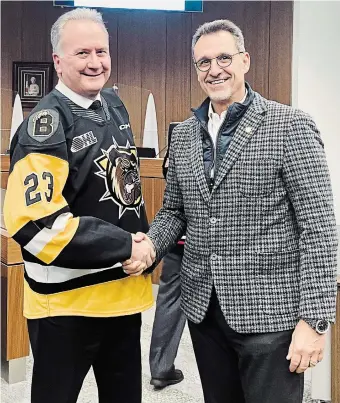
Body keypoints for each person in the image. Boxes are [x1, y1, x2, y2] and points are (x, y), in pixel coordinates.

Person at [124, 19, 338, 403]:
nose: (214, 69)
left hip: (270, 316)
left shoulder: (290, 125)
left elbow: (319, 228)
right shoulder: (185, 133)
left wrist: (315, 320)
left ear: (245, 61)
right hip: (204, 311)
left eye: (224, 57)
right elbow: (174, 209)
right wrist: (150, 247)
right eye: (203, 62)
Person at [4, 8, 155, 403]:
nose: (95, 62)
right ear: (58, 60)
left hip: (121, 297)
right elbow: (36, 225)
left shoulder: (115, 107)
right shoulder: (46, 126)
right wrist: (127, 247)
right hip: (66, 310)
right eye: (82, 53)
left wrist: (145, 249)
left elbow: (126, 194)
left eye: (101, 51)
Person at [149, 144, 186, 390]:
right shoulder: (186, 137)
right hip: (186, 237)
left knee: (169, 301)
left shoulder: (183, 138)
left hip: (178, 239)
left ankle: (160, 367)